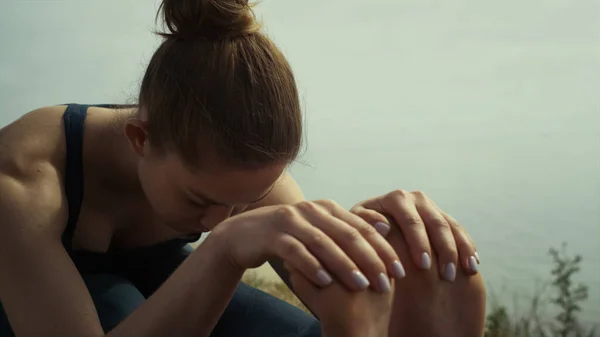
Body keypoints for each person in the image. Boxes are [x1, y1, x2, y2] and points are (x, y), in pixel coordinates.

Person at [0, 0, 486, 336]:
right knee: (119, 309)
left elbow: (329, 284)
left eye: (245, 201)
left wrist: (383, 253)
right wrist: (227, 249)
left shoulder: (234, 169)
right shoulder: (22, 177)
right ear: (140, 140)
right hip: (24, 301)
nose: (220, 221)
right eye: (200, 201)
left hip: (162, 276)